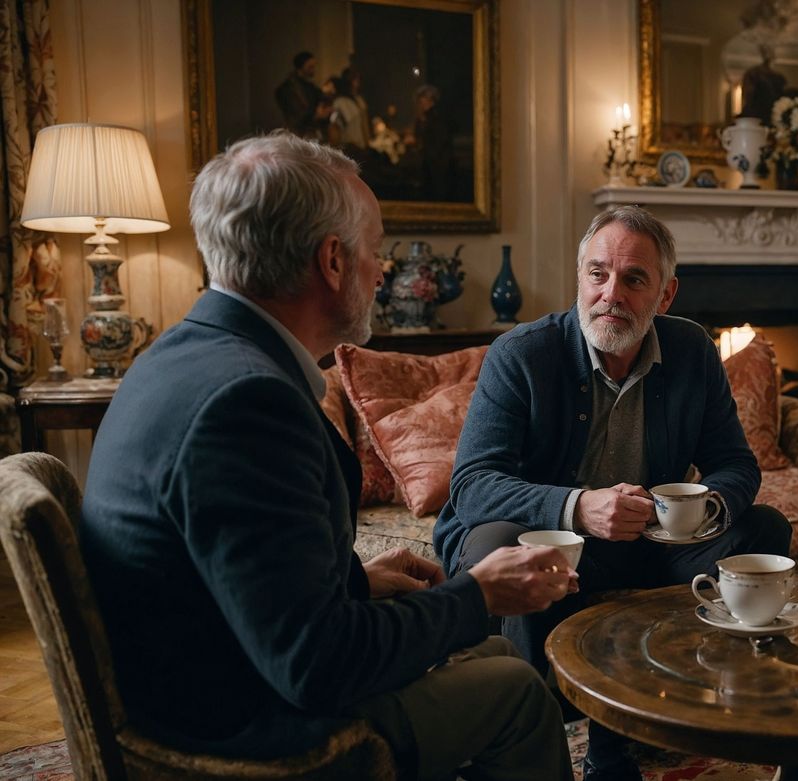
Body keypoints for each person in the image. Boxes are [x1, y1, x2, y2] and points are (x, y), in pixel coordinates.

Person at [79, 132, 576, 781]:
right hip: (239, 733)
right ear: (333, 261)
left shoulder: (179, 357)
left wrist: (353, 581)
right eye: (376, 251)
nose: (383, 270)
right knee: (518, 693)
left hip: (210, 670)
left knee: (485, 651)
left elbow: (226, 572)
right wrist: (478, 591)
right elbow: (317, 665)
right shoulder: (248, 404)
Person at [433, 205, 792, 781]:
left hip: (649, 541)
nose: (611, 294)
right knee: (506, 545)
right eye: (597, 274)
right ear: (580, 279)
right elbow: (473, 484)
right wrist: (578, 506)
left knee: (763, 531)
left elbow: (734, 464)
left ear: (665, 295)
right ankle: (535, 728)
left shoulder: (693, 350)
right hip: (551, 539)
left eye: (634, 279)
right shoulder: (521, 354)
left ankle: (720, 705)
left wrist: (701, 511)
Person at [274, 51, 333, 139]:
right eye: (310, 67)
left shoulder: (311, 87)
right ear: (301, 66)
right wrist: (316, 115)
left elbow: (320, 102)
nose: (313, 69)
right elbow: (297, 114)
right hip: (298, 133)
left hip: (311, 132)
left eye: (314, 66)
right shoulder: (288, 89)